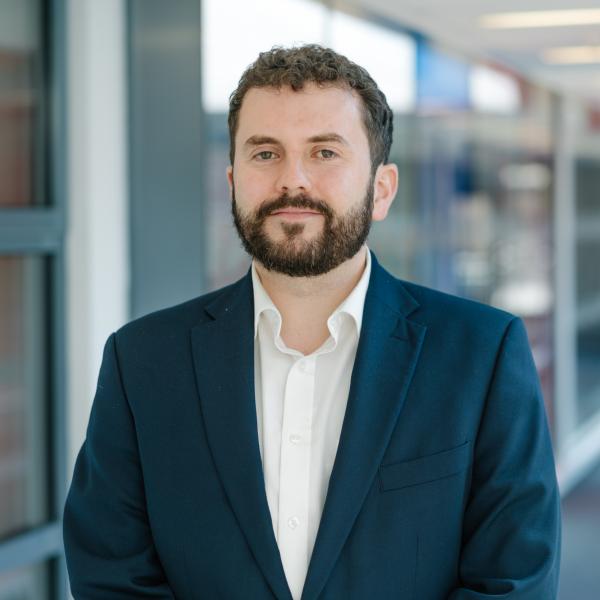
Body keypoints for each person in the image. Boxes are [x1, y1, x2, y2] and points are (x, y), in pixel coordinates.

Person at [63, 44, 560, 599]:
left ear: (382, 189)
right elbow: (110, 575)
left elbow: (514, 580)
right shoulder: (143, 361)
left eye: (325, 153)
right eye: (265, 153)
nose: (292, 180)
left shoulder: (482, 354)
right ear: (232, 182)